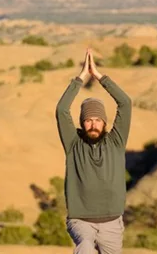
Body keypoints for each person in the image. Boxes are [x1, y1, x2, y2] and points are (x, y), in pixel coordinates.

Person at [55, 49, 132, 254]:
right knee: (86, 248)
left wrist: (99, 76)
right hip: (81, 221)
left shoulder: (116, 141)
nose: (93, 124)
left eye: (97, 120)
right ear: (82, 123)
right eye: (88, 120)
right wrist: (80, 78)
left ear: (104, 122)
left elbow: (125, 104)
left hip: (112, 222)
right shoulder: (73, 143)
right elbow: (62, 110)